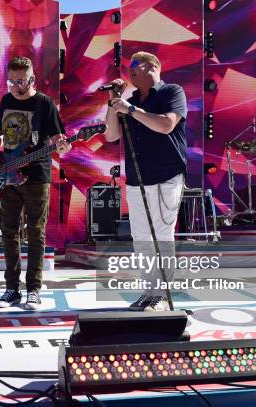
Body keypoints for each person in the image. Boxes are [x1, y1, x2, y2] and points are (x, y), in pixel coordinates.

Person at [0, 56, 70, 310]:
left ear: (31, 79)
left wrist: (63, 147)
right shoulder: (6, 100)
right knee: (9, 232)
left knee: (35, 232)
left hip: (36, 176)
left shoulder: (44, 103)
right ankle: (12, 289)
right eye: (10, 80)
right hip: (7, 174)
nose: (13, 86)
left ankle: (33, 289)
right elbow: (0, 131)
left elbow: (58, 138)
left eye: (19, 81)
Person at [104, 51, 187, 312]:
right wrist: (113, 102)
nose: (129, 72)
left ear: (152, 67)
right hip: (138, 179)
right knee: (141, 237)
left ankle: (162, 294)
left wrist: (131, 110)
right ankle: (148, 291)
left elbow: (165, 125)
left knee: (162, 235)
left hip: (166, 175)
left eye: (134, 66)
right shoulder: (127, 102)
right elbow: (111, 135)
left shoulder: (171, 92)